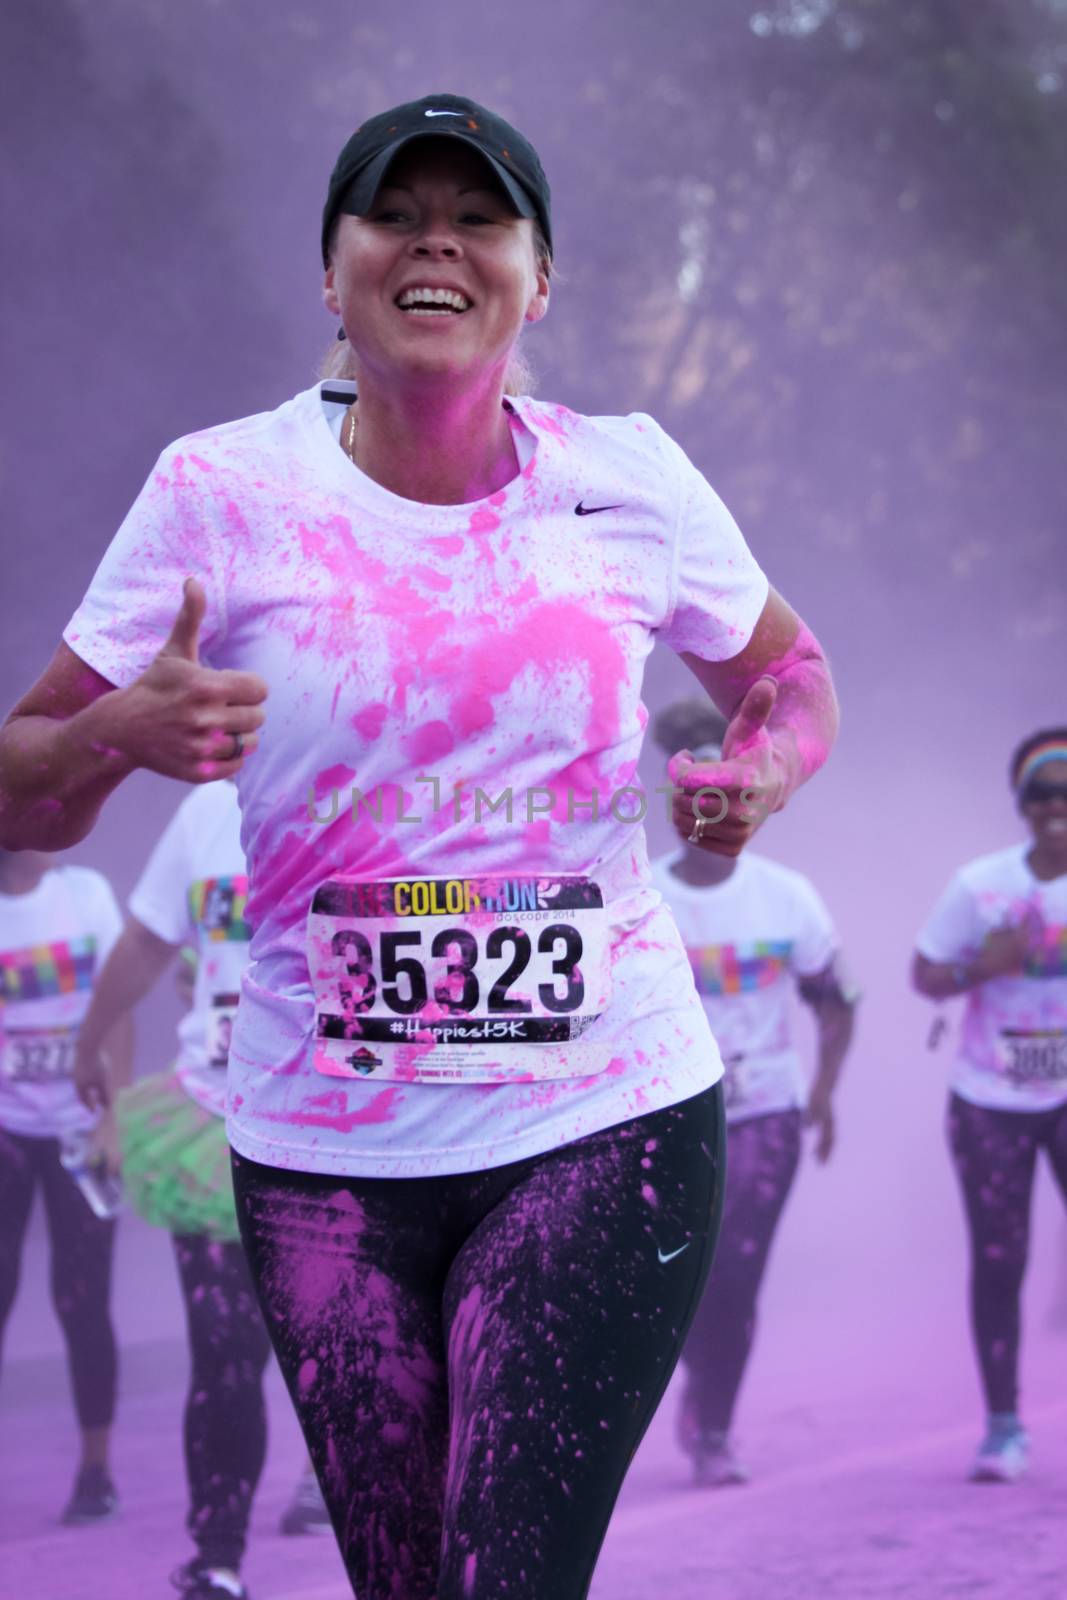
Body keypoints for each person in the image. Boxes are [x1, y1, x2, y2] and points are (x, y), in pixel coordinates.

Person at [0, 93, 838, 1600]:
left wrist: (759, 765)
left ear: (537, 274)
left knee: (501, 1578)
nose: (435, 239)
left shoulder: (630, 475)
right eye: (395, 213)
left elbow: (788, 675)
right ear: (332, 273)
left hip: (605, 1119)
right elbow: (19, 791)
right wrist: (114, 735)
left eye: (481, 215)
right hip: (326, 1161)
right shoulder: (220, 492)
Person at [75, 780, 327, 1600]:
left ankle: (339, 1493)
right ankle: (216, 1557)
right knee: (223, 1355)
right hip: (214, 1122)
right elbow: (151, 944)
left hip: (342, 1126)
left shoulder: (366, 785)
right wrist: (89, 1045)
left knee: (339, 1356)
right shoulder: (204, 813)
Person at [649, 700, 856, 1486]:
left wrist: (825, 1093)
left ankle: (713, 1424)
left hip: (766, 1113)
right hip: (666, 1117)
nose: (715, 810)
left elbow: (836, 1000)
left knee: (736, 1270)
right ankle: (684, 1393)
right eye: (698, 796)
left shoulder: (787, 897)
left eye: (731, 796)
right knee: (675, 1273)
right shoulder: (641, 897)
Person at [912, 727, 1067, 1484]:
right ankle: (1002, 1428)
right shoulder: (981, 886)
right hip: (989, 1098)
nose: (1056, 809)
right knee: (1000, 1259)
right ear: (1021, 805)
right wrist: (986, 964)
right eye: (1042, 795)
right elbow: (924, 976)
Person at [0, 846, 130, 1523]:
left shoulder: (86, 892)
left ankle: (96, 1471)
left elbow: (119, 1011)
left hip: (80, 1131)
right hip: (7, 1131)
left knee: (82, 1301)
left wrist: (115, 1118)